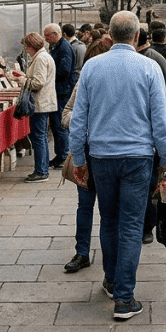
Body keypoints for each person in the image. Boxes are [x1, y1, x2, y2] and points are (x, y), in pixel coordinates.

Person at [69, 11, 166, 321]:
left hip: (101, 157)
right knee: (130, 225)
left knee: (110, 220)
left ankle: (113, 281)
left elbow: (78, 120)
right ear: (137, 37)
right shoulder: (149, 68)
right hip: (137, 158)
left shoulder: (92, 67)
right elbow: (161, 122)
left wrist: (78, 159)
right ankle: (124, 298)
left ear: (110, 36)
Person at [60, 37, 112, 275]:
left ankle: (113, 258)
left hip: (113, 154)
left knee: (111, 209)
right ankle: (82, 252)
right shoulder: (84, 81)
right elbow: (67, 113)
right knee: (85, 204)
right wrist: (82, 125)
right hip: (87, 152)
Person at [17, 31, 57, 182]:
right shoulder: (43, 56)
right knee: (41, 137)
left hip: (40, 103)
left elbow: (38, 83)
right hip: (44, 103)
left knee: (38, 137)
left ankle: (41, 171)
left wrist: (23, 80)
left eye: (26, 46)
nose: (26, 50)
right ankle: (42, 168)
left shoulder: (40, 58)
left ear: (32, 46)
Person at [43, 23, 75, 170]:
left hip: (62, 91)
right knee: (57, 126)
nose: (45, 38)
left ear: (56, 34)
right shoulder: (59, 46)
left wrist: (48, 74)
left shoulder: (64, 48)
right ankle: (61, 154)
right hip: (60, 90)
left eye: (47, 35)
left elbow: (64, 70)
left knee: (60, 125)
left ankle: (62, 156)